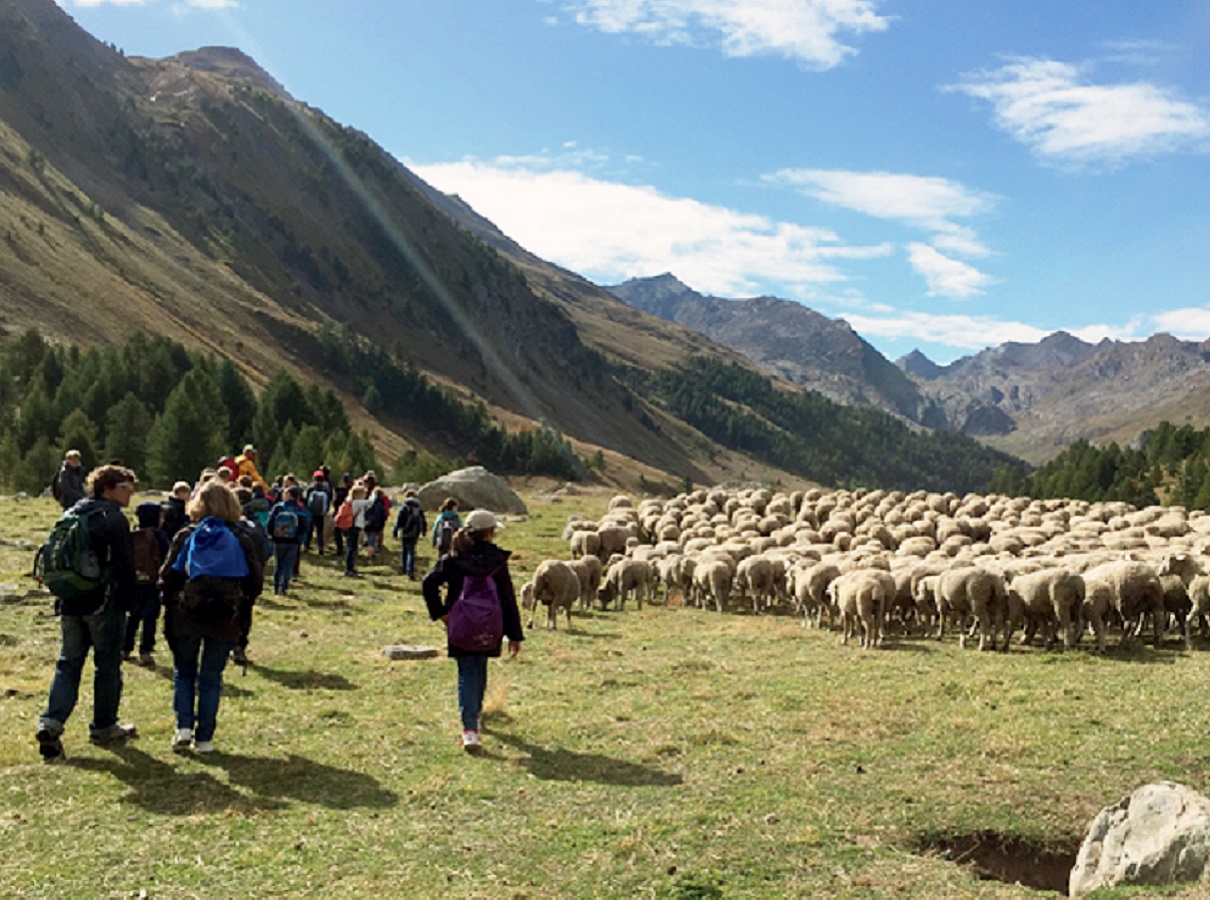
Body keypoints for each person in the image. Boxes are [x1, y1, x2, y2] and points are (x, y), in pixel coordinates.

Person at [35, 465, 139, 761]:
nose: (130, 492)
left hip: (69, 600)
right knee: (107, 666)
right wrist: (132, 603)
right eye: (124, 486)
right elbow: (124, 566)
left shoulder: (72, 513)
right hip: (104, 603)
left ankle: (51, 723)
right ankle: (104, 726)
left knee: (68, 663)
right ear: (106, 488)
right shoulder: (113, 518)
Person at [160, 480, 264, 753]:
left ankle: (183, 727)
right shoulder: (241, 538)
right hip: (224, 616)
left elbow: (167, 575)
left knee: (184, 672)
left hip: (187, 613)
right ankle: (204, 739)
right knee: (210, 677)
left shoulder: (186, 534)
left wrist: (171, 603)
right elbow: (255, 582)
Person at [422, 509, 523, 753]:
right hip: (490, 625)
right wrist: (515, 634)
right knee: (480, 667)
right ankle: (474, 717)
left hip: (461, 623)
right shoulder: (497, 561)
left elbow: (428, 582)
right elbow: (507, 598)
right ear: (490, 533)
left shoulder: (454, 558)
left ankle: (470, 729)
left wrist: (442, 612)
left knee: (466, 670)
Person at [124, 501, 169, 666]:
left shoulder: (134, 533)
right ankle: (146, 650)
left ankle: (125, 647)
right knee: (150, 617)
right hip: (153, 582)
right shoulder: (159, 535)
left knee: (133, 615)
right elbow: (168, 555)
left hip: (135, 581)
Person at [267, 484, 311, 595]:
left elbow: (270, 523)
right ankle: (284, 587)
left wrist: (273, 535)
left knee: (278, 563)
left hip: (279, 540)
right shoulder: (300, 508)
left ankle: (276, 587)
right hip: (293, 541)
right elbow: (305, 526)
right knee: (288, 564)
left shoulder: (278, 507)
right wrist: (299, 538)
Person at [392, 490, 426, 579]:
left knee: (404, 550)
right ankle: (410, 570)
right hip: (415, 532)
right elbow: (423, 520)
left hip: (405, 531)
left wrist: (395, 531)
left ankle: (404, 568)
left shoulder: (404, 507)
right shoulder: (419, 508)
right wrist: (423, 531)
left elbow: (399, 520)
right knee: (411, 551)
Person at [303, 470, 333, 556]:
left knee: (309, 529)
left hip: (311, 511)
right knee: (320, 531)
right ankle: (321, 548)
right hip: (321, 513)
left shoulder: (311, 487)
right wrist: (326, 510)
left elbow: (306, 499)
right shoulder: (326, 488)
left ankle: (306, 546)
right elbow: (329, 499)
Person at [332, 473, 353, 558]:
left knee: (337, 532)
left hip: (340, 513)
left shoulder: (339, 491)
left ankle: (340, 549)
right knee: (349, 533)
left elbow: (335, 503)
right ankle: (350, 549)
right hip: (350, 515)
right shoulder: (353, 491)